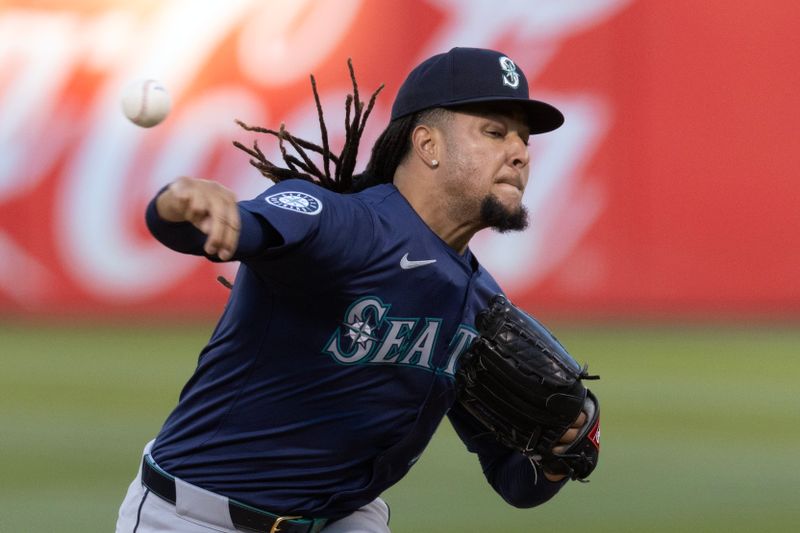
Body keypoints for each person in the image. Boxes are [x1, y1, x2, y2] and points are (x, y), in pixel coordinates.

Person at [116, 47, 588, 533]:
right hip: (200, 517)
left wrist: (556, 455)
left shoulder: (479, 305)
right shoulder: (341, 224)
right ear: (428, 145)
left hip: (344, 520)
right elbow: (232, 226)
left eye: (524, 139)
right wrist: (181, 202)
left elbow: (516, 482)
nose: (520, 153)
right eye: (494, 132)